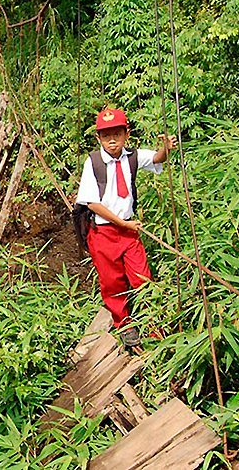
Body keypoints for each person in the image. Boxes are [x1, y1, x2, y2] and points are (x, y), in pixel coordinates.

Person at [75, 108, 176, 348]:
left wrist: (166, 150)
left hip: (129, 232)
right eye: (106, 135)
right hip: (103, 233)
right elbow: (92, 203)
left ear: (126, 134)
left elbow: (155, 159)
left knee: (143, 278)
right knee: (113, 283)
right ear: (98, 138)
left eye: (117, 134)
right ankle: (125, 325)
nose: (112, 140)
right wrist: (122, 223)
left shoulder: (130, 156)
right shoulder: (94, 163)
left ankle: (153, 325)